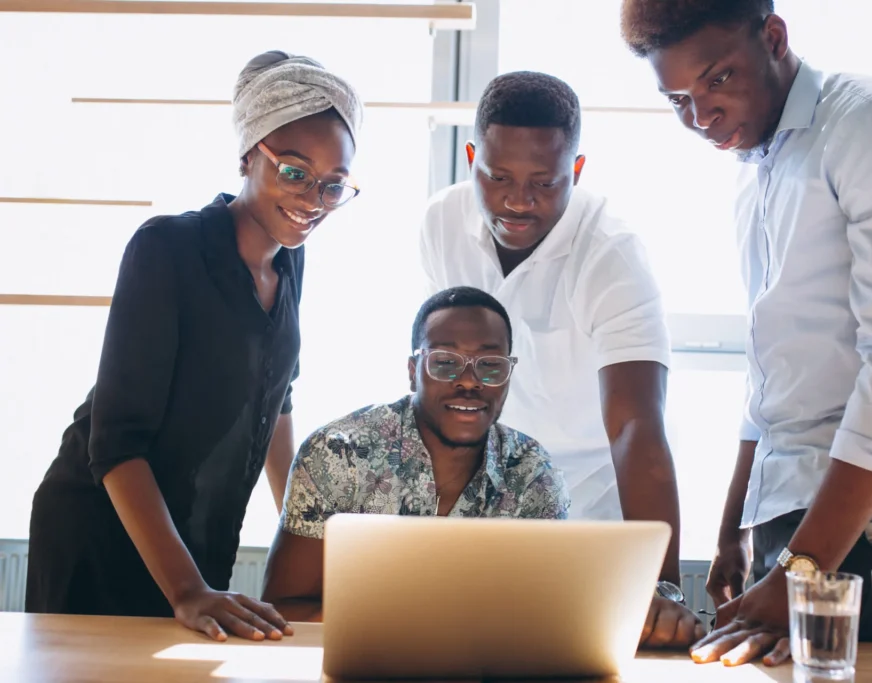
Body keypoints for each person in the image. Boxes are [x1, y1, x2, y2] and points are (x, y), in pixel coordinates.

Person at [621, 0, 872, 667]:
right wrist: (733, 528)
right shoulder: (757, 170)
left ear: (775, 38)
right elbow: (771, 377)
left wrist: (800, 571)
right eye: (678, 101)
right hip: (793, 503)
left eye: (718, 79)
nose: (701, 118)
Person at [25, 50, 363, 642]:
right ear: (247, 155)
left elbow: (277, 404)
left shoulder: (291, 263)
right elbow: (116, 443)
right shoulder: (169, 248)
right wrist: (186, 588)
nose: (313, 199)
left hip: (197, 540)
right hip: (105, 529)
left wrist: (307, 543)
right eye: (294, 171)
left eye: (333, 185)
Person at [418, 71, 701, 649]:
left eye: (543, 183)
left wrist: (664, 590)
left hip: (587, 521)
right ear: (471, 157)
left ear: (575, 171)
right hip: (475, 520)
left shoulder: (612, 255)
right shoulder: (441, 223)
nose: (517, 201)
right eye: (497, 177)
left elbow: (635, 427)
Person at [260, 286, 570, 621]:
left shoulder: (532, 472)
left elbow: (546, 616)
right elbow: (283, 609)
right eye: (446, 362)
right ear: (413, 372)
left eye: (490, 365)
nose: (469, 381)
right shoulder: (338, 453)